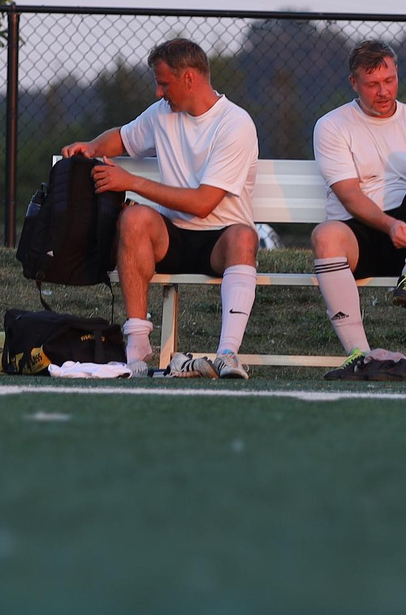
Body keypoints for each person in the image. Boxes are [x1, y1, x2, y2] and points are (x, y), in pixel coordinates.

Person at [62, 38, 261, 379]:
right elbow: (123, 138)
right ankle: (137, 353)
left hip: (220, 244)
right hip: (173, 239)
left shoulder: (235, 123)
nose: (158, 92)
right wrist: (93, 146)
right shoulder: (162, 114)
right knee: (135, 217)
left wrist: (132, 182)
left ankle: (227, 355)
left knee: (244, 236)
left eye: (163, 83)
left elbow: (203, 204)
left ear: (189, 79)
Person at [308, 39, 406, 380]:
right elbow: (349, 195)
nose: (383, 91)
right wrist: (388, 225)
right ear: (354, 83)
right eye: (372, 84)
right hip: (361, 230)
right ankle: (360, 356)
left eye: (389, 80)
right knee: (324, 235)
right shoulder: (331, 125)